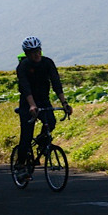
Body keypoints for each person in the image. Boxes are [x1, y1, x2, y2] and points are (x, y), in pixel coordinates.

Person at [15, 36, 72, 167]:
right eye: (33, 52)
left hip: (44, 100)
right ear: (27, 54)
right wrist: (32, 105)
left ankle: (41, 144)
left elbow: (56, 83)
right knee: (26, 136)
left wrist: (65, 103)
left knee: (51, 122)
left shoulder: (48, 63)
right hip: (27, 103)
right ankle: (20, 164)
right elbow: (25, 87)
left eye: (38, 50)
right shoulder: (23, 66)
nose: (37, 54)